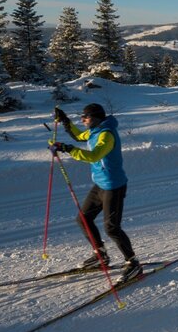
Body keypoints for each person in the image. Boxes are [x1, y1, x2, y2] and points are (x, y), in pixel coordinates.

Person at [50, 103, 142, 283]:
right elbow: (78, 136)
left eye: (86, 117)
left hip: (113, 186)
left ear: (97, 118)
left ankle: (133, 263)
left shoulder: (106, 135)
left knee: (111, 228)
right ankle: (100, 255)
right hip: (100, 185)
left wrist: (67, 149)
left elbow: (94, 156)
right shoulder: (94, 131)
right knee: (83, 218)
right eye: (82, 117)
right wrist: (65, 120)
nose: (83, 119)